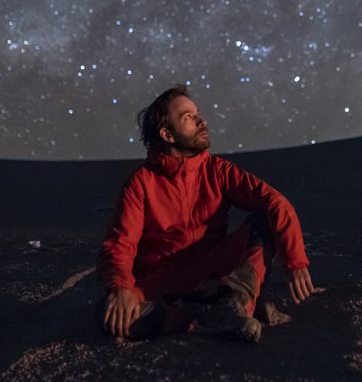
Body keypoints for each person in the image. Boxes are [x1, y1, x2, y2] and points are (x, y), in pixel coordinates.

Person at [96, 84, 315, 342]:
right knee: (110, 315)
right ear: (167, 134)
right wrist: (120, 287)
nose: (201, 120)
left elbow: (275, 201)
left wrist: (295, 261)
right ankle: (202, 315)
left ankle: (232, 304)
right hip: (165, 285)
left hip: (214, 273)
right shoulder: (141, 183)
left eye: (197, 113)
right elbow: (120, 243)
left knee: (263, 220)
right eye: (188, 117)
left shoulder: (218, 171)